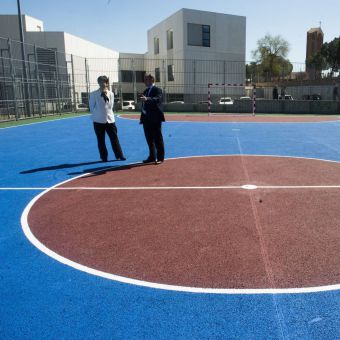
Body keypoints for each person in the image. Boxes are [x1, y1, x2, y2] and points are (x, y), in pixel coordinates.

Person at [89, 75, 126, 162]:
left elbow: (111, 106)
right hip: (98, 121)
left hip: (110, 120)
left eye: (105, 82)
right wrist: (98, 115)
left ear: (107, 83)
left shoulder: (111, 94)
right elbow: (91, 107)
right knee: (101, 140)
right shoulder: (94, 94)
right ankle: (104, 157)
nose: (103, 84)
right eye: (101, 82)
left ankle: (119, 155)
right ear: (98, 83)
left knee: (114, 138)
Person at [139, 74, 165, 164]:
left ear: (151, 80)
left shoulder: (158, 90)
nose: (144, 81)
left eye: (146, 79)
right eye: (144, 79)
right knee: (149, 139)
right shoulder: (145, 90)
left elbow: (157, 99)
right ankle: (152, 156)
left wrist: (147, 99)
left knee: (158, 138)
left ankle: (160, 158)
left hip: (155, 118)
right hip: (146, 118)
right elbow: (144, 103)